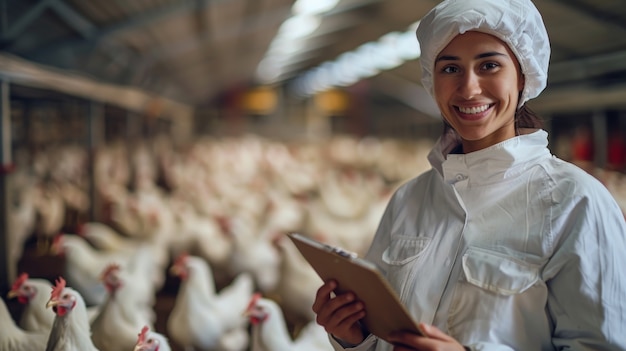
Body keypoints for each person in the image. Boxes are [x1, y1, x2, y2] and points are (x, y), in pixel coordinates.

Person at [311, 0, 626, 350]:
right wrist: (354, 337)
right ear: (433, 81)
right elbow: (385, 336)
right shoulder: (409, 199)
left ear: (523, 73)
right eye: (449, 69)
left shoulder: (574, 202)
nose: (469, 88)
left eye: (489, 65)